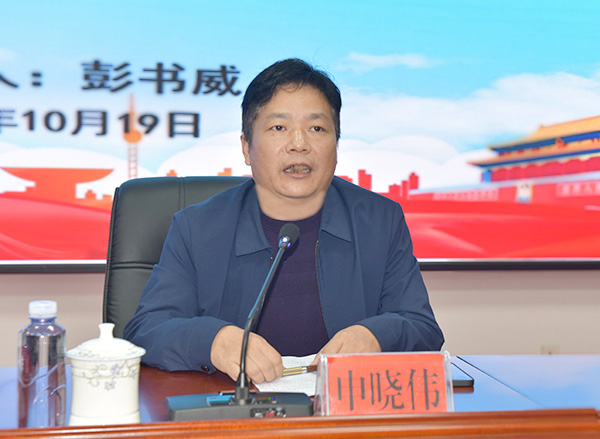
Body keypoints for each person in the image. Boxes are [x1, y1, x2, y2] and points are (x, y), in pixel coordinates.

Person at [124, 58, 444, 384]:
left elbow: (423, 329)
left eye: (317, 128)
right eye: (279, 128)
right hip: (234, 409)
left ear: (336, 145)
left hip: (344, 408)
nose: (299, 144)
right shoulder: (197, 227)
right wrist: (213, 341)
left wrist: (374, 336)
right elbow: (146, 330)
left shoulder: (379, 221)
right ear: (246, 148)